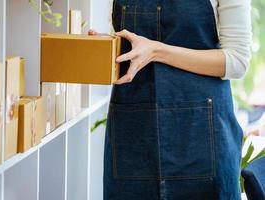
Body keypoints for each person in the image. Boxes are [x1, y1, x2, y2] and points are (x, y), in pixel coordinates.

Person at [90, 0, 252, 199]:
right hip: (134, 136)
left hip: (202, 137)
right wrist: (107, 46)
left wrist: (157, 51)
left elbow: (237, 61)